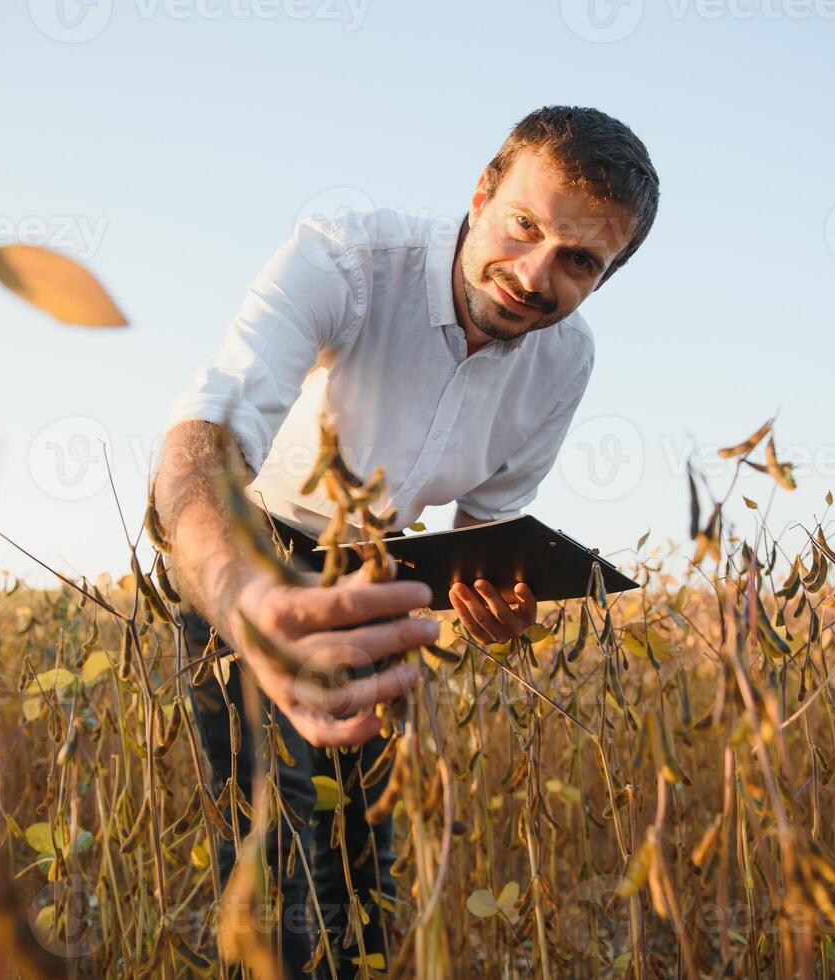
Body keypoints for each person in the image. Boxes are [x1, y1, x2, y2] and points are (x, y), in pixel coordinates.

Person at [151, 105, 659, 978]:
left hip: (383, 569)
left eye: (579, 261)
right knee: (278, 853)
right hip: (241, 541)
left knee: (367, 849)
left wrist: (494, 606)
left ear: (605, 277)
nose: (535, 276)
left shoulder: (566, 361)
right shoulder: (345, 258)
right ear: (481, 194)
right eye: (524, 227)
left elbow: (487, 532)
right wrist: (248, 596)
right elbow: (200, 452)